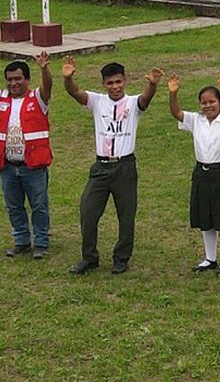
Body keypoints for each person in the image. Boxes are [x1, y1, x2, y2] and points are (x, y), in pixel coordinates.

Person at [63, 59, 159, 275]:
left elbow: (146, 98)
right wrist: (68, 78)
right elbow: (75, 92)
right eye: (110, 83)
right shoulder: (97, 101)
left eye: (118, 82)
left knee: (126, 216)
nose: (115, 87)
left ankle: (121, 258)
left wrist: (152, 84)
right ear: (103, 84)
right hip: (101, 167)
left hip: (124, 166)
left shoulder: (133, 103)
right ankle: (89, 257)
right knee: (88, 212)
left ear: (125, 81)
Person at [0, 51, 55, 259]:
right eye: (10, 80)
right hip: (7, 165)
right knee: (13, 206)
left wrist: (44, 69)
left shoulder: (37, 98)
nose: (13, 83)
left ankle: (41, 242)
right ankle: (21, 240)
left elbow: (47, 86)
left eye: (18, 79)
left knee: (39, 204)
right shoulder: (0, 99)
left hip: (33, 165)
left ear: (27, 80)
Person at [168, 70, 220, 275]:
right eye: (204, 102)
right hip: (201, 172)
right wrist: (173, 94)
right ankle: (210, 258)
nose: (208, 106)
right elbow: (176, 112)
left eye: (212, 101)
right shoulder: (196, 120)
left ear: (219, 103)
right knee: (206, 217)